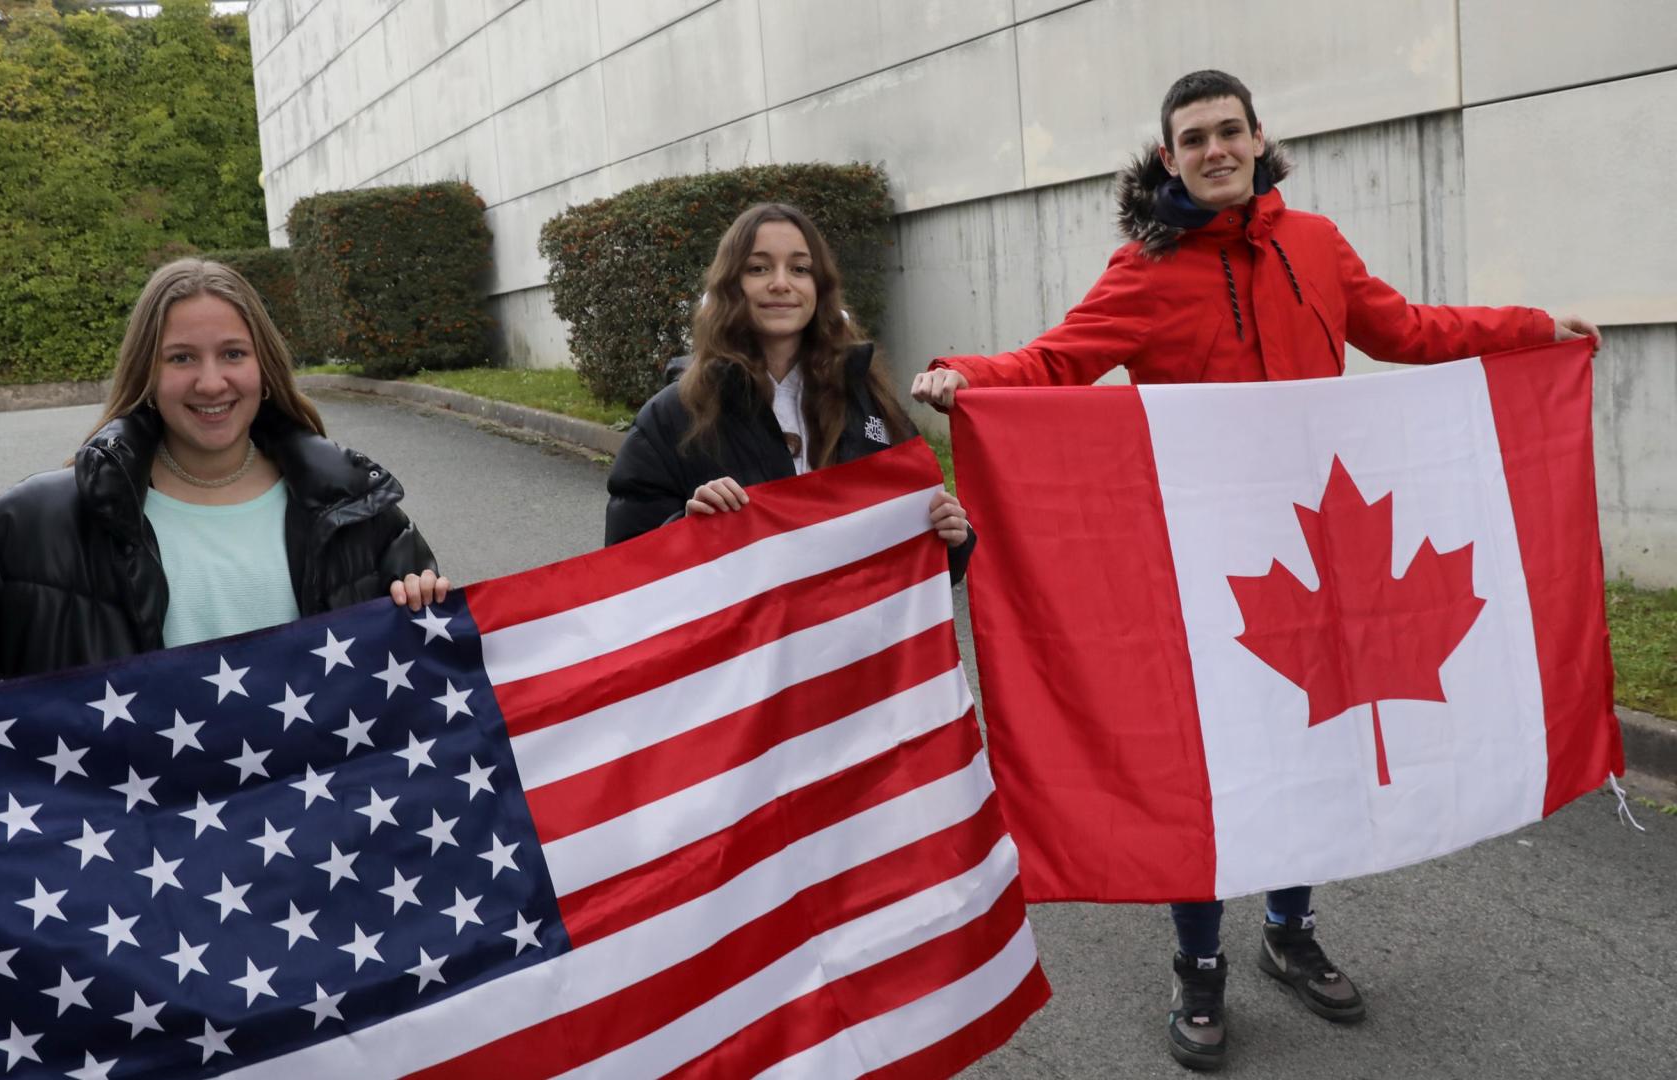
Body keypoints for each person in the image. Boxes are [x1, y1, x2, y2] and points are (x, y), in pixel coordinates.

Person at [911, 70, 1601, 1072]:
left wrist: (1533, 329)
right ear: (1169, 157)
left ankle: (1289, 930)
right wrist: (966, 374)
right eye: (1194, 138)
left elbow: (1407, 331)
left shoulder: (1314, 243)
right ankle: (1199, 965)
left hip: (1322, 553)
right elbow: (1056, 360)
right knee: (1209, 765)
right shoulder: (1144, 270)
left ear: (1257, 137)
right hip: (1209, 574)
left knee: (1310, 748)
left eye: (1228, 131)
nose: (1215, 150)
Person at [0, 258, 448, 713]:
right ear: (146, 373)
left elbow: (431, 690)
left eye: (233, 354)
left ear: (264, 368)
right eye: (182, 358)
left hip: (305, 854)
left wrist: (426, 604)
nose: (211, 381)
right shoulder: (35, 526)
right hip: (131, 867)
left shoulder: (360, 513)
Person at [606, 202, 975, 571]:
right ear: (729, 285)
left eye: (800, 269)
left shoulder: (867, 398)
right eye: (758, 268)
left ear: (820, 287)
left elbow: (923, 558)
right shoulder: (670, 417)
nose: (781, 283)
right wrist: (689, 530)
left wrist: (953, 539)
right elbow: (627, 571)